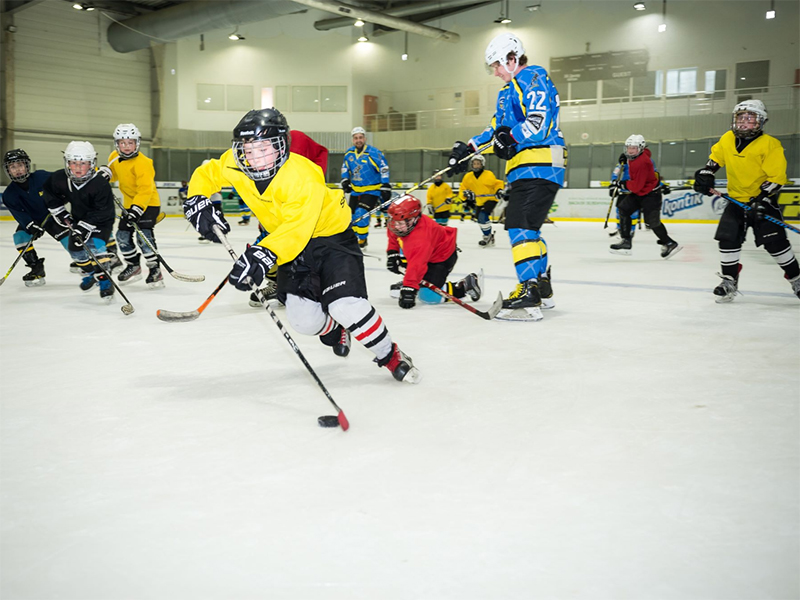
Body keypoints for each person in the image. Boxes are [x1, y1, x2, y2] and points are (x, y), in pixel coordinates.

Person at [184, 108, 421, 383]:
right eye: (248, 149)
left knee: (345, 306)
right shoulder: (236, 164)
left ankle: (391, 355)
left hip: (330, 239)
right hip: (289, 245)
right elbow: (208, 171)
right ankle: (335, 330)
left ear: (281, 146)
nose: (255, 157)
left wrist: (264, 254)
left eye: (264, 148)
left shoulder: (302, 176)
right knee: (304, 322)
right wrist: (198, 199)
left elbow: (297, 229)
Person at [448, 32, 566, 319]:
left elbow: (538, 123)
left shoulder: (533, 77)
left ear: (513, 59)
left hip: (541, 163)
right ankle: (541, 286)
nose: (496, 71)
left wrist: (509, 137)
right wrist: (468, 148)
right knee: (529, 229)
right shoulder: (507, 91)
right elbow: (495, 132)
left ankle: (529, 288)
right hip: (524, 168)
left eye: (498, 65)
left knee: (519, 225)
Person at [694, 99, 799, 302]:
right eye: (740, 117)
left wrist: (760, 199)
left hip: (762, 202)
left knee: (776, 244)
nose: (744, 122)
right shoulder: (727, 139)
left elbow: (776, 178)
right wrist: (706, 173)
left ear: (760, 122)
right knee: (727, 240)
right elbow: (715, 159)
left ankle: (797, 278)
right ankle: (729, 280)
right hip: (736, 202)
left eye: (750, 118)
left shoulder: (770, 144)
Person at [43, 141, 117, 302]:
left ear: (91, 164)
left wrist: (83, 228)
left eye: (83, 163)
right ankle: (91, 273)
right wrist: (60, 212)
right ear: (67, 163)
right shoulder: (59, 178)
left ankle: (105, 282)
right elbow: (49, 194)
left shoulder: (99, 183)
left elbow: (104, 211)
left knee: (97, 247)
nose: (77, 167)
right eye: (73, 163)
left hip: (102, 221)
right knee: (74, 249)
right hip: (78, 219)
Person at [385, 194, 481, 309]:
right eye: (394, 221)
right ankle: (416, 281)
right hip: (425, 254)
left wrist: (409, 287)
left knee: (429, 296)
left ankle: (465, 286)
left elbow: (417, 264)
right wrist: (392, 253)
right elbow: (393, 235)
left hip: (442, 257)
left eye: (400, 223)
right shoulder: (402, 221)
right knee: (405, 261)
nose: (396, 226)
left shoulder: (421, 237)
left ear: (413, 219)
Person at [2, 149, 74, 286]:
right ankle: (36, 268)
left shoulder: (42, 177)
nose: (17, 170)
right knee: (20, 238)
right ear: (8, 170)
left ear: (27, 165)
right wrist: (30, 225)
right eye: (12, 167)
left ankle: (85, 263)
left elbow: (61, 181)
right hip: (33, 221)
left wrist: (62, 196)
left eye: (20, 165)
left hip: (52, 217)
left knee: (71, 243)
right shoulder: (9, 194)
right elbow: (20, 215)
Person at [105, 123, 165, 288]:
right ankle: (133, 265)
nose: (126, 147)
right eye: (122, 143)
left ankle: (155, 270)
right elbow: (114, 174)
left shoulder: (144, 163)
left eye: (130, 142)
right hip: (130, 205)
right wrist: (103, 174)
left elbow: (145, 190)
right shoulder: (114, 157)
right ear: (117, 144)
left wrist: (137, 209)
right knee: (122, 237)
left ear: (137, 143)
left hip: (148, 204)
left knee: (143, 236)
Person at [608, 134, 681, 259]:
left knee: (652, 222)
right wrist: (624, 160)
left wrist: (622, 184)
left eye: (634, 148)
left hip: (651, 195)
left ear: (640, 148)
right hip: (641, 192)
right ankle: (626, 241)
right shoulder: (635, 157)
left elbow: (636, 186)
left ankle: (669, 243)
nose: (630, 150)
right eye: (628, 148)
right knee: (623, 208)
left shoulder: (641, 162)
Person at [340, 126, 391, 249]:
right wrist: (345, 179)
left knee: (361, 213)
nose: (358, 140)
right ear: (353, 139)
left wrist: (385, 184)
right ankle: (355, 237)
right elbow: (345, 167)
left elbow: (384, 168)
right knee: (350, 216)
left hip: (372, 190)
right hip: (356, 191)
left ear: (365, 138)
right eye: (356, 138)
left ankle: (362, 240)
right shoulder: (349, 154)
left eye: (361, 137)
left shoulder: (374, 153)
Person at [458, 154, 505, 246]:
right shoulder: (468, 176)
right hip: (479, 201)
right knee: (479, 220)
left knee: (483, 216)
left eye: (478, 164)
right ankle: (489, 235)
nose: (476, 165)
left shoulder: (488, 174)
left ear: (482, 164)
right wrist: (465, 194)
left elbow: (497, 183)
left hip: (491, 199)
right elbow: (463, 188)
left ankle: (487, 236)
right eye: (474, 164)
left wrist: (499, 190)